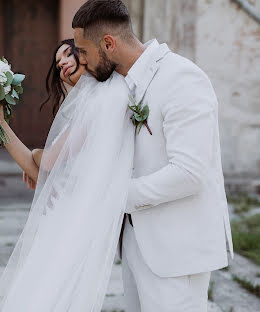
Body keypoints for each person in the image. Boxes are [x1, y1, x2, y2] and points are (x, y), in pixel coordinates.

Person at [70, 1, 232, 311]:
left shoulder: (182, 79)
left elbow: (189, 173)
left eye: (85, 52)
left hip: (177, 250)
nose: (83, 61)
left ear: (108, 43)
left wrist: (114, 194)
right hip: (135, 242)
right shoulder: (120, 85)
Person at [0, 39, 85, 187]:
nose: (61, 63)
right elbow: (47, 182)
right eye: (58, 65)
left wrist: (35, 154)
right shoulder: (80, 107)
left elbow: (48, 161)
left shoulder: (96, 102)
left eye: (69, 54)